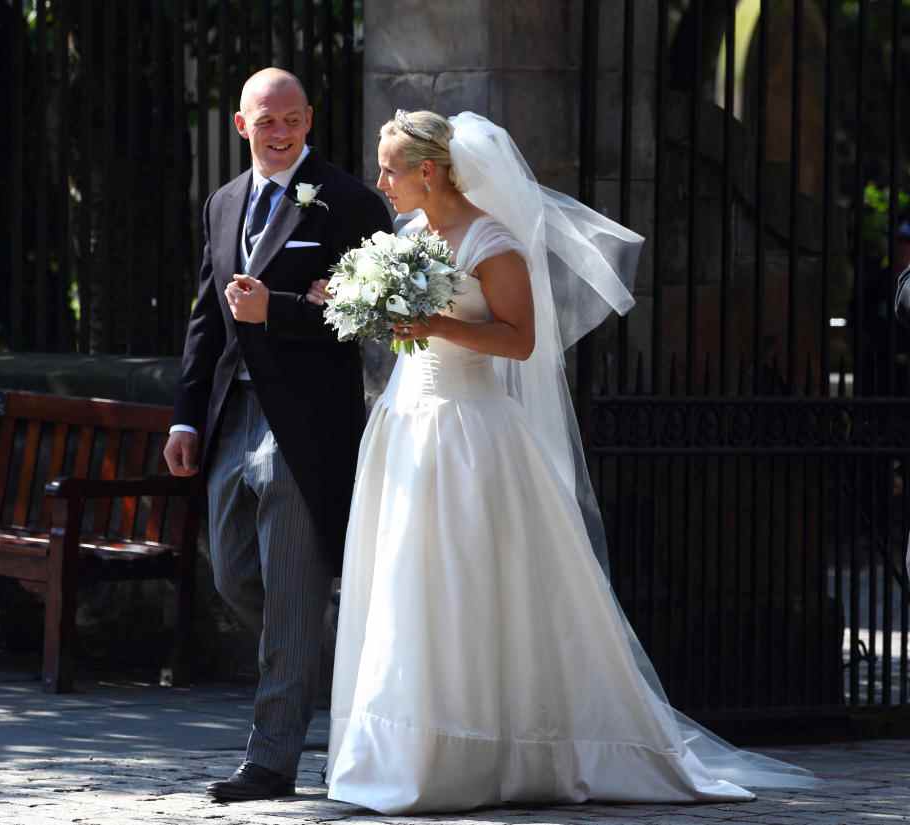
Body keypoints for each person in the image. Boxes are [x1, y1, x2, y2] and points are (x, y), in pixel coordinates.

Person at [307, 110, 818, 814]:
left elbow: (518, 340)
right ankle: (405, 754)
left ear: (429, 171)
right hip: (405, 423)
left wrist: (435, 324)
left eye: (390, 167)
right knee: (407, 581)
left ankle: (487, 754)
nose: (381, 181)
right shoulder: (407, 237)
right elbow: (401, 329)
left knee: (469, 582)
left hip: (470, 432)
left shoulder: (492, 241)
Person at [163, 68, 391, 803]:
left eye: (293, 119)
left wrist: (281, 310)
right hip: (235, 420)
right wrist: (186, 416)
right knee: (233, 573)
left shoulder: (352, 201)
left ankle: (271, 761)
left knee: (291, 591)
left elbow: (369, 316)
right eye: (268, 121)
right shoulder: (224, 202)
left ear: (309, 120)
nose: (283, 132)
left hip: (306, 422)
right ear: (242, 126)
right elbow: (207, 319)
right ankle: (333, 650)